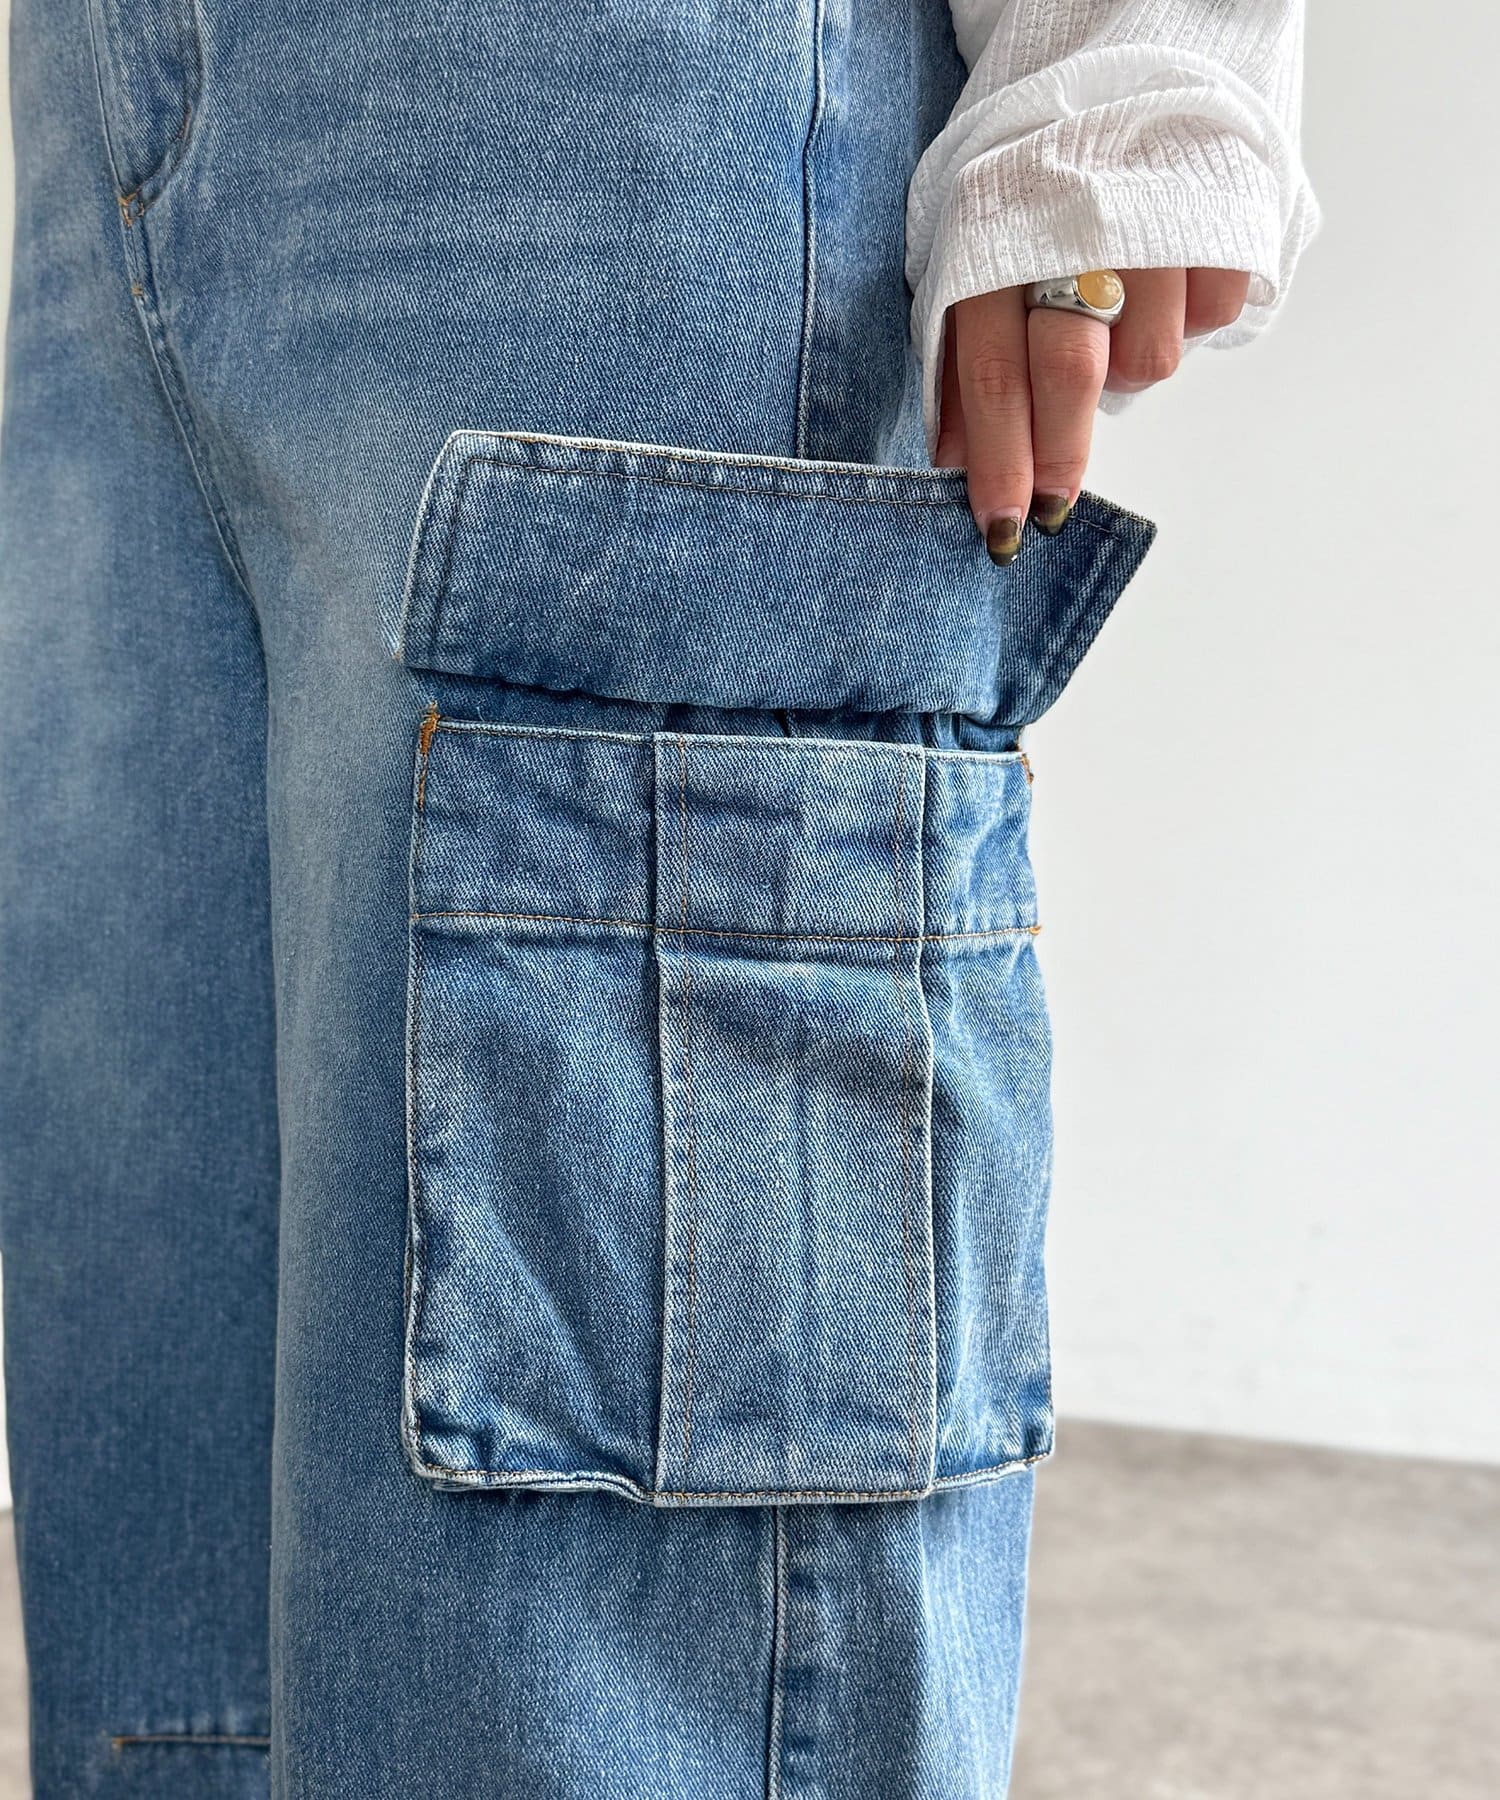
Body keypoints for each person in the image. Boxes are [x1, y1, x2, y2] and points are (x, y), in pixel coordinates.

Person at [0, 1, 1318, 1794]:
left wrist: (1128, 72)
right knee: (189, 1601)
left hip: (630, 108)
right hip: (108, 118)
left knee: (596, 1650)